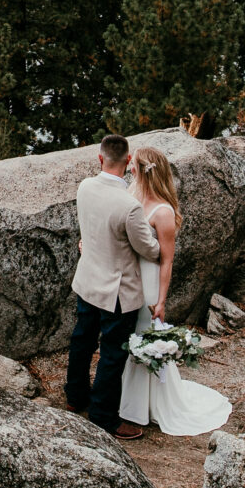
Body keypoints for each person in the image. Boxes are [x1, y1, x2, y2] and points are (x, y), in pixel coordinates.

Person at [120, 145, 225, 436]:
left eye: (134, 165)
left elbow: (167, 261)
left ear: (144, 171)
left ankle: (138, 408)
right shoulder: (132, 194)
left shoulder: (163, 212)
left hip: (149, 280)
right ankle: (126, 399)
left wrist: (162, 299)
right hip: (129, 278)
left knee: (143, 337)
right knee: (126, 336)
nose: (129, 168)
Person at [66, 133, 158, 438]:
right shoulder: (129, 206)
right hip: (117, 292)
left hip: (88, 279)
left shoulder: (85, 187)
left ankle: (76, 396)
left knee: (82, 339)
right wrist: (163, 243)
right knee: (112, 354)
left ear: (100, 158)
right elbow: (148, 249)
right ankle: (103, 416)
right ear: (129, 161)